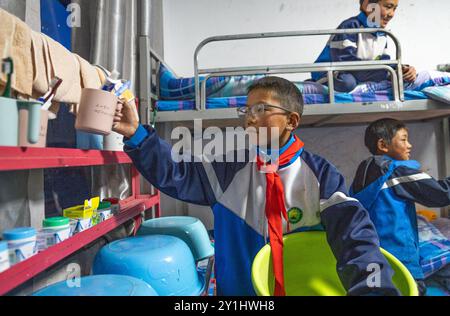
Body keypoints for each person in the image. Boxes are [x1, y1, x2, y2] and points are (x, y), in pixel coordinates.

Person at [112, 76, 400, 296]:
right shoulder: (228, 170)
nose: (249, 118)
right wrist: (137, 134)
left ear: (292, 121)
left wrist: (373, 288)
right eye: (246, 110)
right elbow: (174, 173)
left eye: (261, 109)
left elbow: (355, 239)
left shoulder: (322, 176)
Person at [350, 118, 450, 296]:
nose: (409, 145)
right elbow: (442, 194)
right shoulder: (396, 171)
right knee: (411, 289)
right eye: (404, 139)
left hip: (373, 254)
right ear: (383, 144)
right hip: (400, 254)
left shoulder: (363, 172)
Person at [311, 0, 418, 92]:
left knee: (398, 77)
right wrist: (384, 72)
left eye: (394, 9)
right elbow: (346, 63)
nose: (392, 14)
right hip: (331, 71)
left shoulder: (382, 33)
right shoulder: (350, 26)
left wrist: (402, 69)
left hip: (358, 72)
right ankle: (314, 83)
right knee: (347, 83)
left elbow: (384, 61)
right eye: (388, 7)